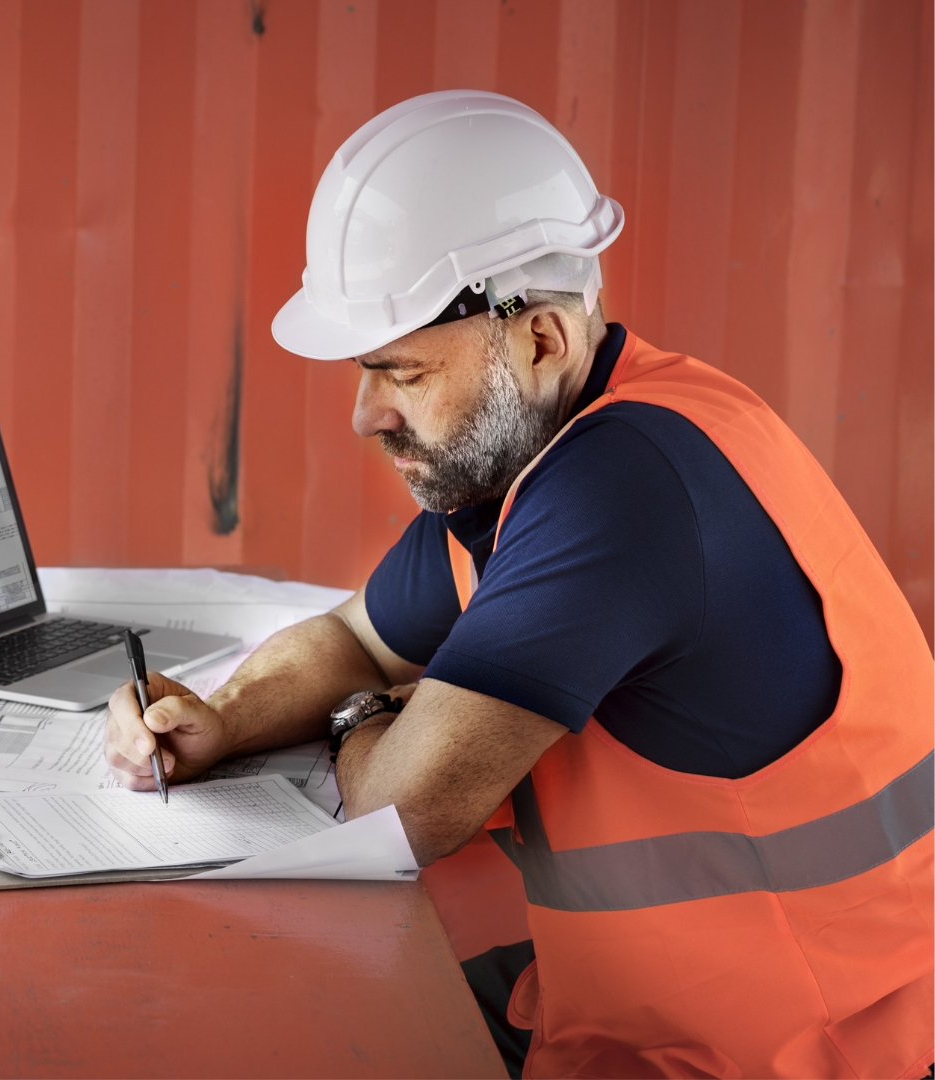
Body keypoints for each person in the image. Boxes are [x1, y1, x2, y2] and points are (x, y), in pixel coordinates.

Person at [104, 90, 932, 1079]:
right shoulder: (535, 458)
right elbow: (356, 641)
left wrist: (361, 718)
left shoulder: (621, 490)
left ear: (537, 338)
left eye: (401, 374)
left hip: (801, 1051)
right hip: (648, 1011)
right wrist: (222, 718)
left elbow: (401, 810)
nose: (366, 414)